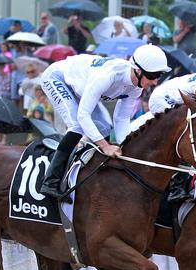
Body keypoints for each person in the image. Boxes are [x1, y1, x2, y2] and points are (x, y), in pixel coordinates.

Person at [39, 44, 171, 199]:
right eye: (152, 76)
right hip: (57, 78)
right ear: (138, 70)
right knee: (77, 126)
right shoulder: (107, 76)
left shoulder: (136, 87)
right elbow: (83, 115)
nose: (155, 82)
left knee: (104, 129)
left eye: (159, 76)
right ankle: (50, 182)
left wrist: (125, 148)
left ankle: (90, 174)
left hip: (81, 87)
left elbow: (121, 119)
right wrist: (105, 146)